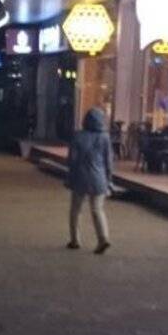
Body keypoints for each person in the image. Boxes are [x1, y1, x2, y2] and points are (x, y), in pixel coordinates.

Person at [66, 108, 114, 254]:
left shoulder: (78, 136)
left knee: (76, 209)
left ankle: (75, 240)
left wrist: (71, 173)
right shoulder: (105, 137)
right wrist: (109, 179)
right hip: (99, 177)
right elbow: (108, 161)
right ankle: (103, 238)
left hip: (80, 176)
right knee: (97, 209)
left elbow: (71, 159)